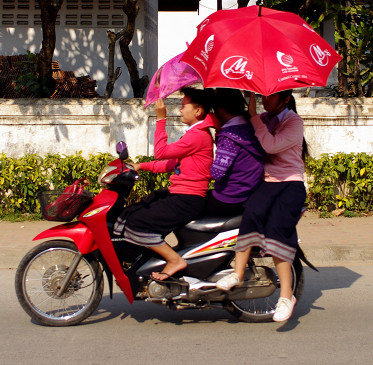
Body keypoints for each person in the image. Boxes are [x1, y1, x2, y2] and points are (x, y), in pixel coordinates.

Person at [215, 89, 307, 323]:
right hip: (267, 183)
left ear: (285, 99)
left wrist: (254, 115)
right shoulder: (263, 118)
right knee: (252, 213)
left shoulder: (293, 121)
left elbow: (271, 146)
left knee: (278, 229)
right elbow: (242, 133)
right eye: (263, 96)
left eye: (271, 96)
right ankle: (237, 273)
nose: (265, 101)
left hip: (290, 184)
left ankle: (286, 297)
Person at [113, 88, 215, 281]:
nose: (180, 110)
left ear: (198, 111)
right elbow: (171, 164)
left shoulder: (198, 135)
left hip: (187, 199)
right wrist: (141, 166)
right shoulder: (194, 133)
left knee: (137, 223)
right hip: (179, 194)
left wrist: (161, 119)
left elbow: (161, 153)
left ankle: (174, 260)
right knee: (131, 213)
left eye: (184, 106)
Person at [205, 88, 265, 217]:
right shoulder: (252, 127)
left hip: (229, 198)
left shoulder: (230, 136)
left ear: (220, 111)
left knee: (190, 206)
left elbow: (217, 173)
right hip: (250, 193)